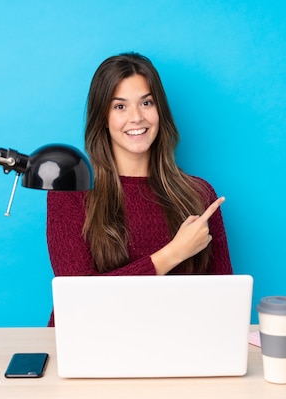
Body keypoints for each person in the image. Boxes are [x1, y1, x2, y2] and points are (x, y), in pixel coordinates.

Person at [46, 52, 233, 326]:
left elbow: (225, 302)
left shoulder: (199, 194)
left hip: (178, 346)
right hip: (89, 342)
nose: (136, 117)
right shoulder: (71, 192)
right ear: (102, 118)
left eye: (146, 103)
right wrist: (173, 254)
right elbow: (77, 298)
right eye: (120, 107)